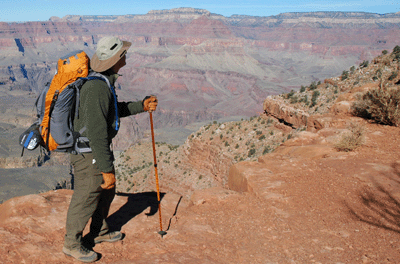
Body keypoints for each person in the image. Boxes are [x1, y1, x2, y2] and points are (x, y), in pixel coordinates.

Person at [62, 36, 158, 263]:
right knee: (87, 196)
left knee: (106, 192)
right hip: (89, 154)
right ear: (116, 59)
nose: (126, 56)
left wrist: (141, 106)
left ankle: (99, 231)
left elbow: (114, 111)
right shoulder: (96, 88)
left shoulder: (104, 81)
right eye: (123, 54)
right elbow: (96, 132)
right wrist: (106, 168)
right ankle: (72, 244)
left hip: (95, 150)